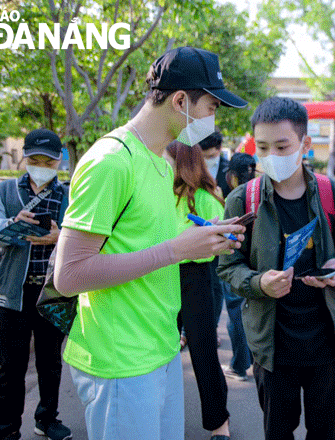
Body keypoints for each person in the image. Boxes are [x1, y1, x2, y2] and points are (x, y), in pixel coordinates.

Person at [52, 46, 247, 440]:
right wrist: (176, 250)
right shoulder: (111, 160)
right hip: (120, 361)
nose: (213, 119)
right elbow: (69, 276)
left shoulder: (161, 162)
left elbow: (145, 242)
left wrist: (203, 238)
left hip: (161, 349)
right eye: (211, 106)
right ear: (180, 101)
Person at [217, 97, 335, 440]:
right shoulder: (243, 200)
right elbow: (228, 268)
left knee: (326, 431)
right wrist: (259, 283)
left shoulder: (334, 194)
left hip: (326, 340)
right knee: (277, 430)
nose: (271, 156)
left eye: (282, 146)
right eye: (263, 147)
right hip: (271, 342)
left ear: (305, 144)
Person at [0, 129, 71, 440]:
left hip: (52, 291)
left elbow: (87, 237)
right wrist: (12, 224)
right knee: (12, 366)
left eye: (47, 160)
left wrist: (59, 236)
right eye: (34, 159)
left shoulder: (69, 195)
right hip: (12, 292)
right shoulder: (6, 192)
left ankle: (47, 419)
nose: (40, 165)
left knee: (50, 362)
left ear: (58, 161)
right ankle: (7, 429)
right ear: (24, 157)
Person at [164, 141, 232, 439]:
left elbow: (226, 242)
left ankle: (220, 425)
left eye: (165, 159)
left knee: (204, 353)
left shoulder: (208, 197)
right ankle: (160, 419)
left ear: (180, 162)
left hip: (197, 278)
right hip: (160, 275)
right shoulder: (157, 194)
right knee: (159, 353)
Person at [217, 153, 256, 381]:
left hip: (235, 262)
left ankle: (239, 365)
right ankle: (251, 359)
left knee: (236, 314)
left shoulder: (235, 197)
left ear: (232, 176)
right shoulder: (260, 192)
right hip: (258, 264)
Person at [197, 131, 231, 198]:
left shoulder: (229, 169)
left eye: (211, 156)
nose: (206, 160)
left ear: (220, 148)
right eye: (202, 156)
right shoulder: (191, 167)